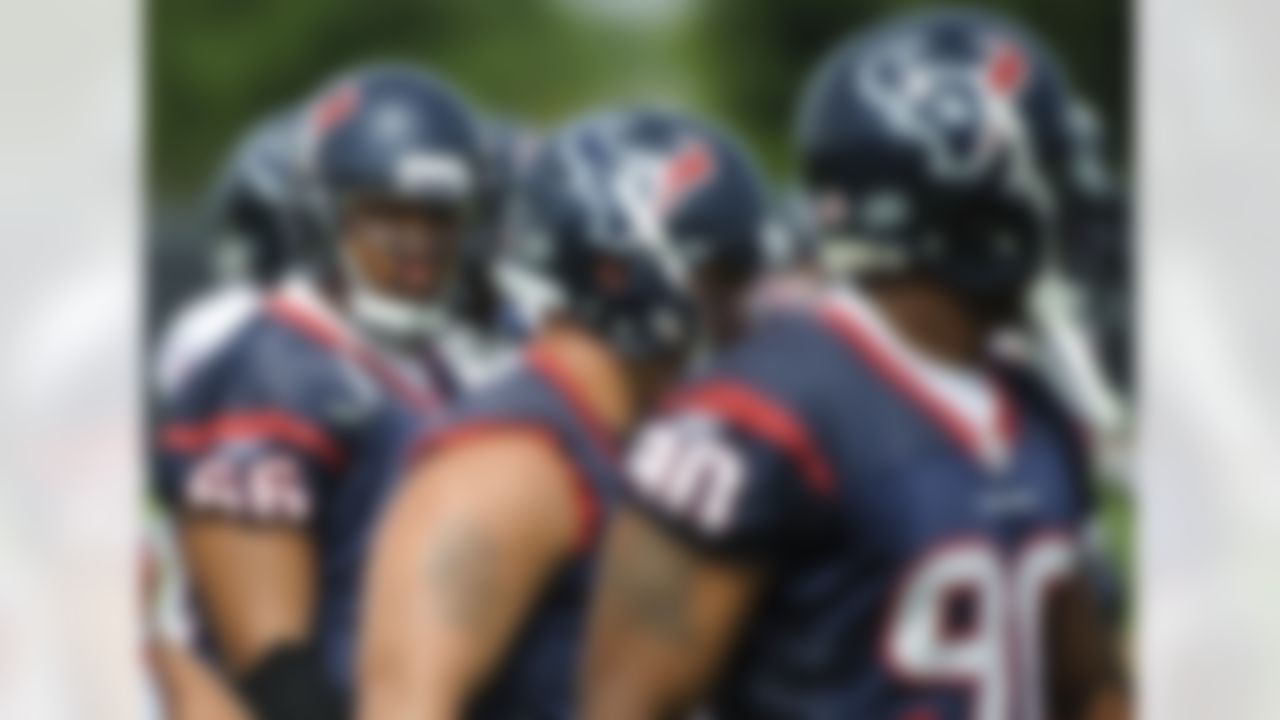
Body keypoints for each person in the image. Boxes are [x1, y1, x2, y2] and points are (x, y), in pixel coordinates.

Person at [583, 10, 1130, 720]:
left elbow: (1089, 684)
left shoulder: (1034, 413)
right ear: (966, 198)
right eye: (1046, 178)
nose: (1068, 211)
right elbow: (625, 707)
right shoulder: (755, 417)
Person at [358, 107, 775, 719]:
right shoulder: (505, 466)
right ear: (619, 269)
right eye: (720, 276)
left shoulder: (623, 439)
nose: (739, 306)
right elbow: (405, 708)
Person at [153, 64, 503, 719]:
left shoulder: (435, 363)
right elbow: (273, 667)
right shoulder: (276, 370)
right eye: (387, 217)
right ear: (325, 217)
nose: (419, 246)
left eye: (439, 219)